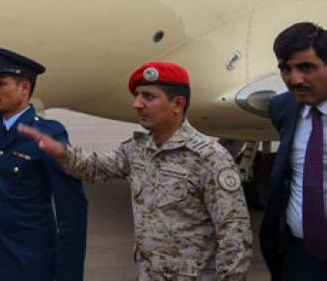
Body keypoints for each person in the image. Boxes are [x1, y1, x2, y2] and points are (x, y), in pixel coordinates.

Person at [19, 62, 252, 281]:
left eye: (148, 97)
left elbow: (234, 236)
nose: (137, 104)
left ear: (177, 104)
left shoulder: (208, 158)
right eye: (137, 96)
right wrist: (62, 152)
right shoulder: (138, 149)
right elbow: (96, 167)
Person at [0, 47, 87, 281]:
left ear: (24, 88)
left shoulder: (47, 134)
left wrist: (68, 275)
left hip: (30, 265)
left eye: (1, 84)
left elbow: (72, 212)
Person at [260, 22, 327, 280]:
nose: (294, 79)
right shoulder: (283, 108)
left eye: (306, 67)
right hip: (301, 259)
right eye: (285, 69)